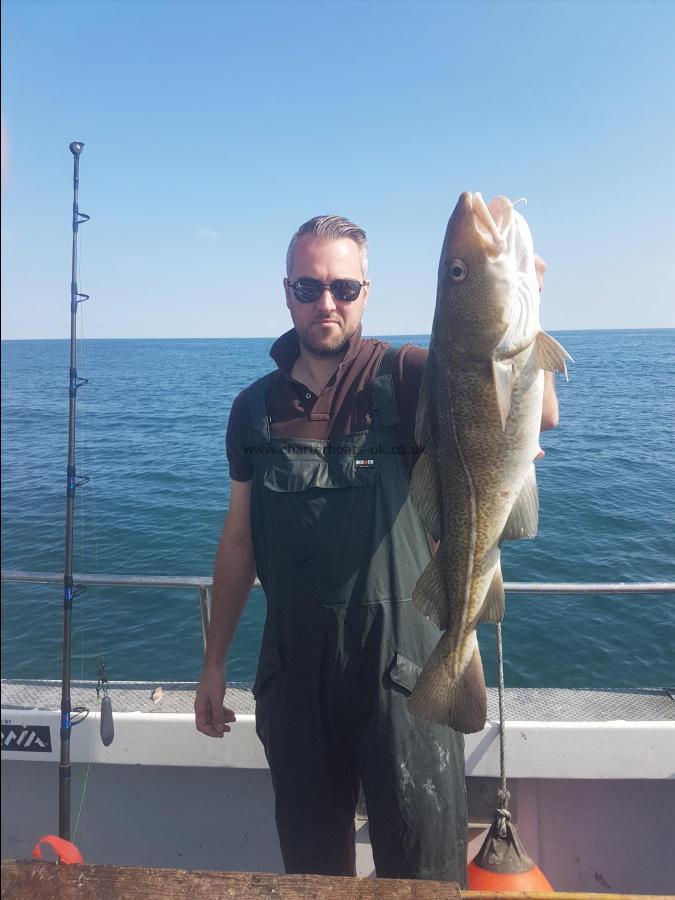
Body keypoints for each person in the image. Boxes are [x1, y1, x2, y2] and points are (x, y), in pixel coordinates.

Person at [194, 215, 558, 884]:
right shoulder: (253, 408)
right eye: (308, 287)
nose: (325, 303)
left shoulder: (407, 374)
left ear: (366, 291)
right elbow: (238, 539)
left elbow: (532, 415)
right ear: (286, 292)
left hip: (406, 666)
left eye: (342, 286)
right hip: (293, 670)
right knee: (309, 869)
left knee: (421, 865)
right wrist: (214, 663)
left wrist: (523, 310)